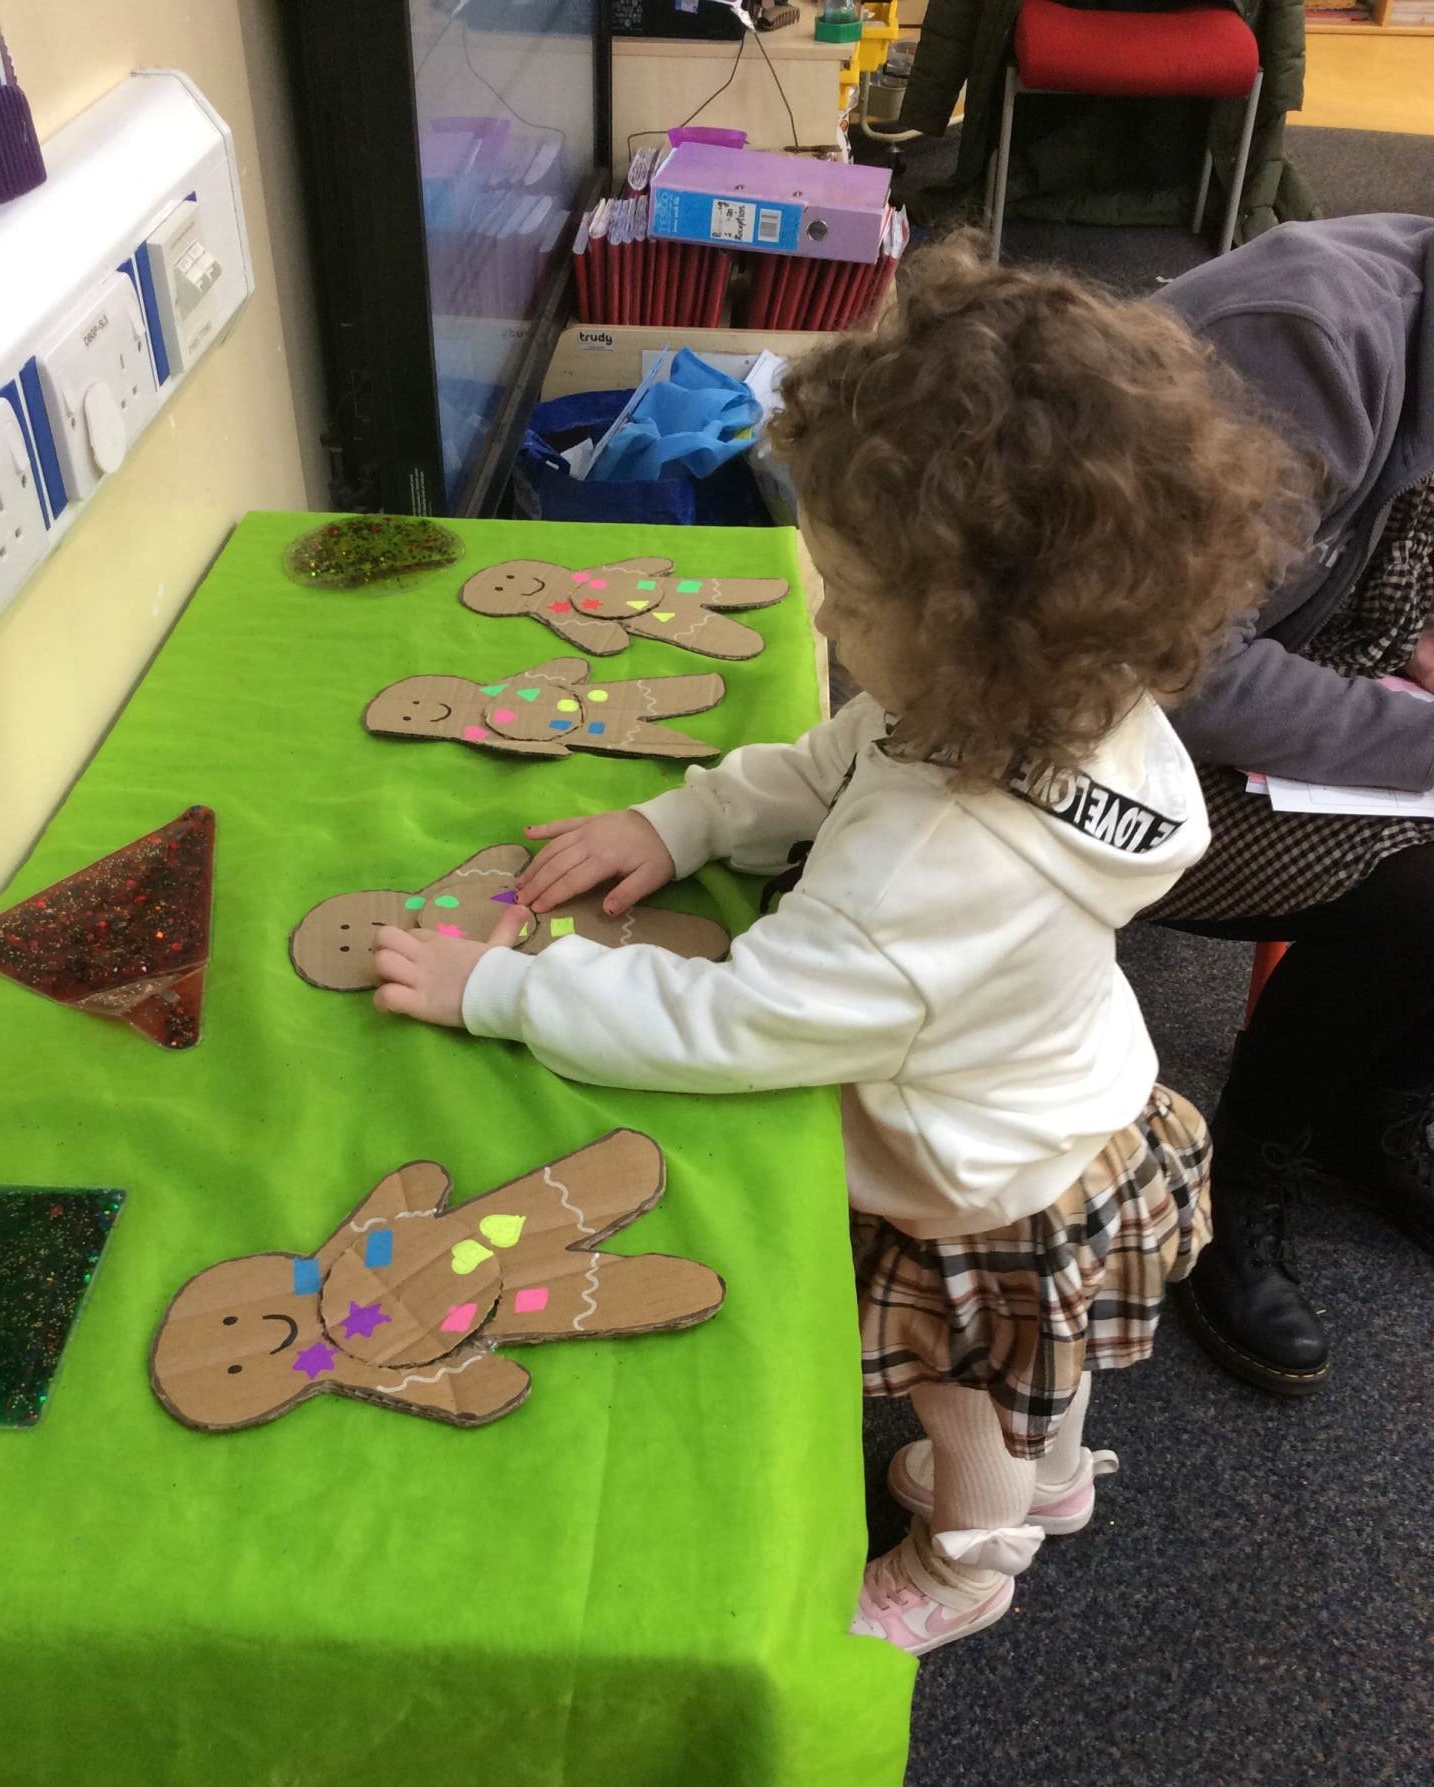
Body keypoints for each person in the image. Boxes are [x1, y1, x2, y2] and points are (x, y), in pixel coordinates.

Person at [367, 239, 1310, 1655]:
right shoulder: (1066, 690)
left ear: (976, 636)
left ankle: (970, 1558)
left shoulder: (924, 877)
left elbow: (732, 1023)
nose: (820, 617)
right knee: (1037, 1369)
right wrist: (683, 820)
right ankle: (1052, 1478)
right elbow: (837, 759)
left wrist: (499, 986)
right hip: (1067, 1093)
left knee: (962, 1385)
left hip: (970, 1176)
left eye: (854, 601)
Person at [1151, 215, 1434, 1397]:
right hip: (1080, 728)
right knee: (1422, 889)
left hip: (1280, 677)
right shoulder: (1304, 343)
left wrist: (1416, 645)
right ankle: (1241, 1169)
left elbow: (1375, 560)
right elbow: (1183, 670)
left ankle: (1375, 1109)